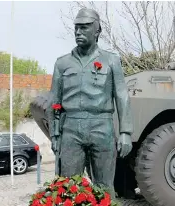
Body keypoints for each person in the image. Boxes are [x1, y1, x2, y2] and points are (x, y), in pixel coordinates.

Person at [47, 8, 133, 195]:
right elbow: (54, 100)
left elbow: (122, 95)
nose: (78, 32)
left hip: (102, 126)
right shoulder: (62, 63)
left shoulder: (111, 61)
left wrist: (125, 132)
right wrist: (55, 135)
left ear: (97, 31)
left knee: (104, 186)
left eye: (84, 28)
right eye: (76, 28)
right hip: (70, 128)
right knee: (67, 186)